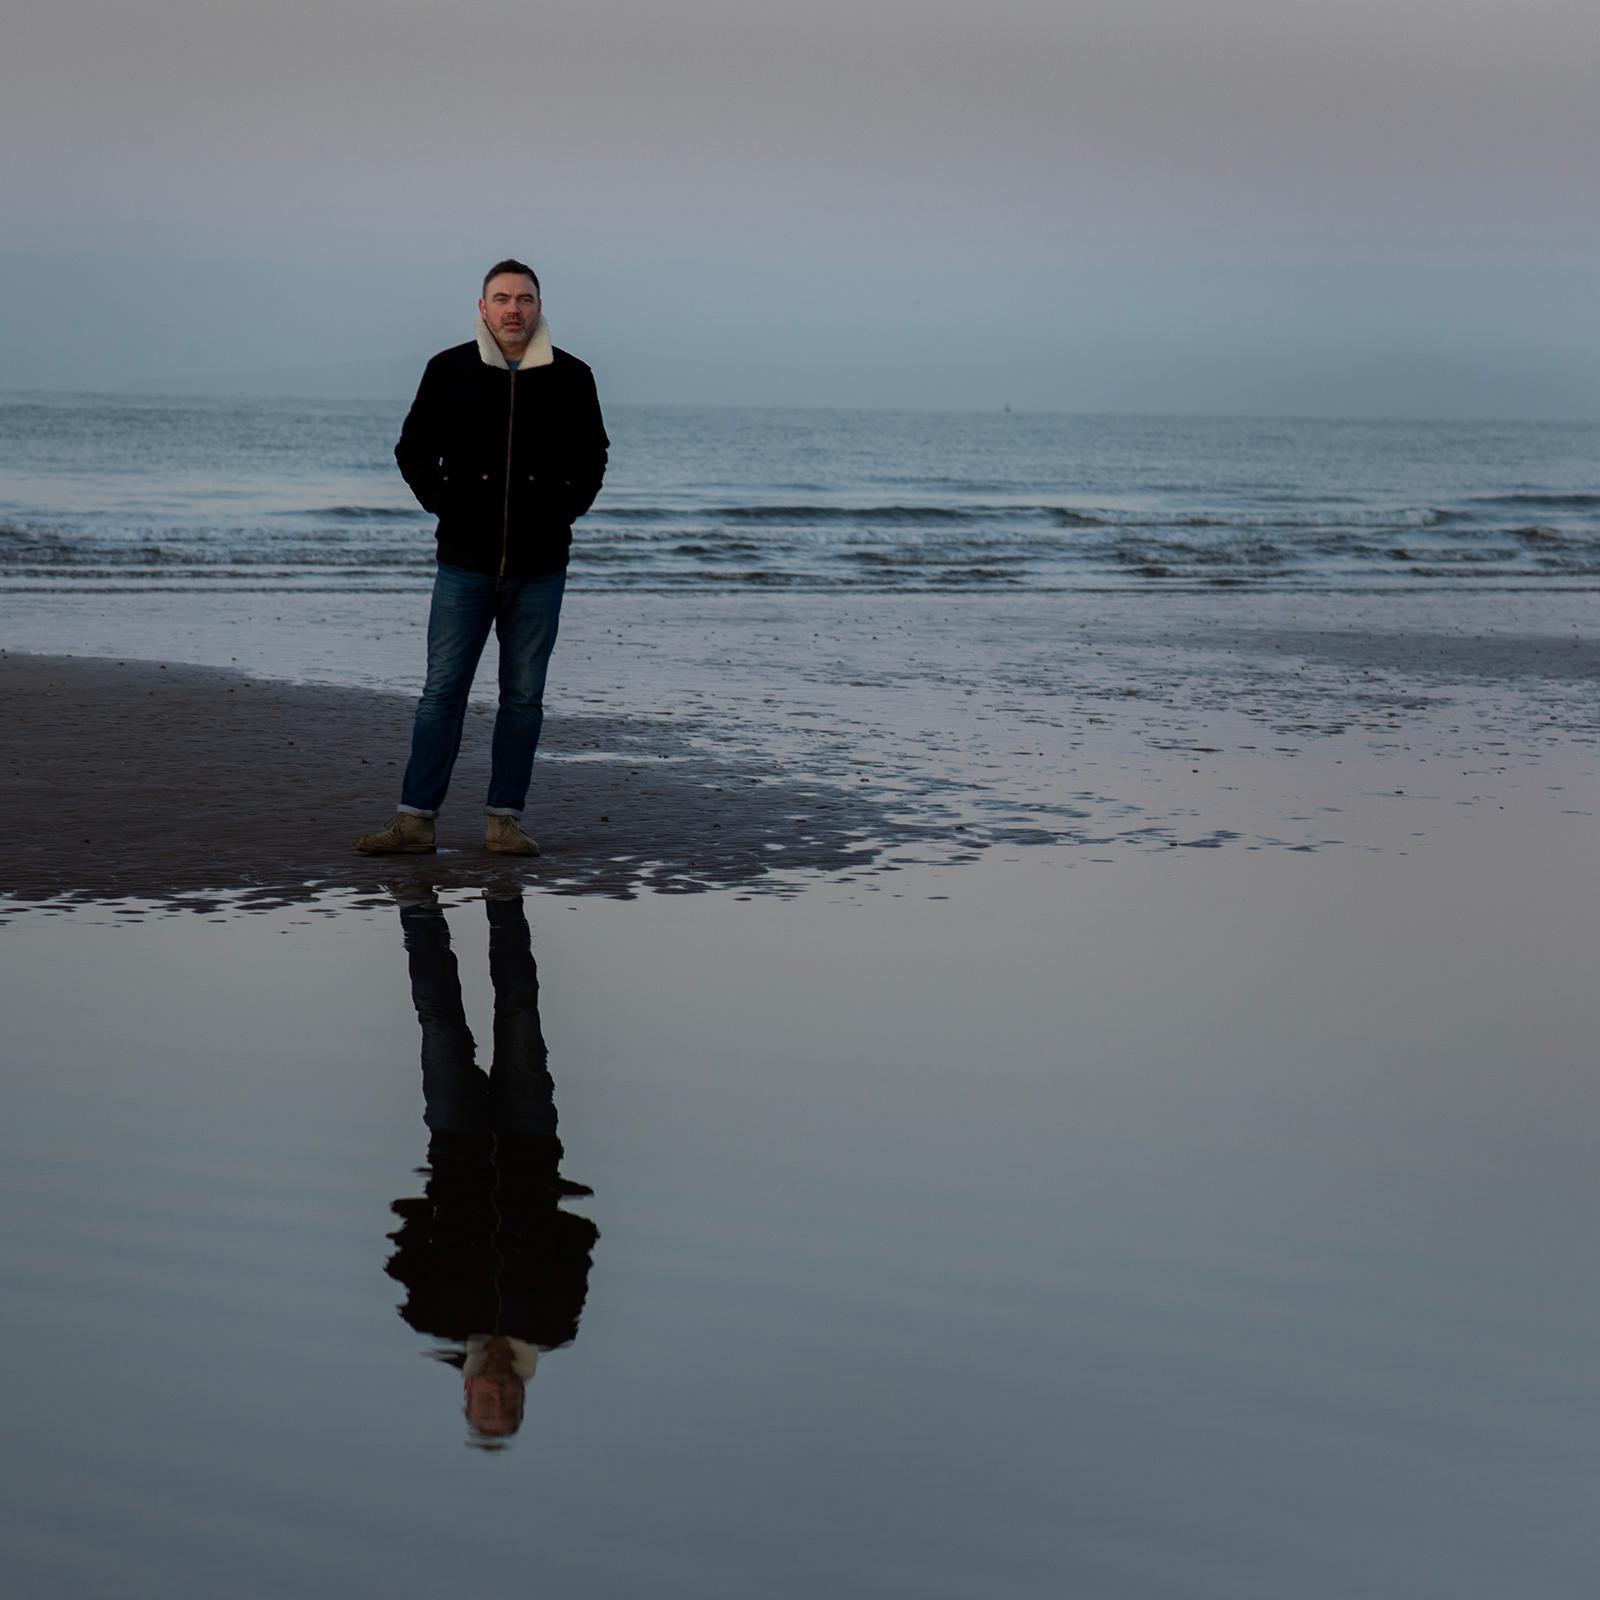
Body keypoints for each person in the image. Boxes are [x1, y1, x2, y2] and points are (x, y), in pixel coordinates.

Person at [356, 259, 609, 857]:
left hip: (541, 565)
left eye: (524, 298)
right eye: (502, 298)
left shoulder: (573, 376)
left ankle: (504, 821)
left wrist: (563, 511)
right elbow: (413, 448)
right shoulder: (448, 370)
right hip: (463, 562)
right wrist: (446, 506)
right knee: (442, 693)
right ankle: (415, 820)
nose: (513, 309)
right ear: (483, 308)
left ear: (538, 306)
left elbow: (593, 457)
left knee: (523, 698)